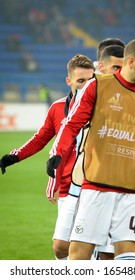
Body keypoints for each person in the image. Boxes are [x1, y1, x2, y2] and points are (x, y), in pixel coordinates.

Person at [46, 39, 135, 260]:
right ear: (131, 61)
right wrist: (58, 152)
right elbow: (72, 123)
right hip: (96, 187)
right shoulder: (98, 86)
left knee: (126, 258)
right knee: (78, 256)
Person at [0, 54, 95, 259]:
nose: (86, 86)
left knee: (91, 248)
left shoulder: (103, 109)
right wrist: (13, 157)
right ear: (68, 81)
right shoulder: (57, 108)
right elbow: (40, 138)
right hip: (68, 186)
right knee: (60, 247)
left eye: (90, 80)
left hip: (96, 184)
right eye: (81, 81)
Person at [52, 43, 125, 261]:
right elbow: (69, 127)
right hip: (81, 184)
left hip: (115, 183)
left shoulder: (124, 98)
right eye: (114, 67)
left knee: (109, 253)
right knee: (64, 247)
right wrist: (55, 163)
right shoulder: (78, 100)